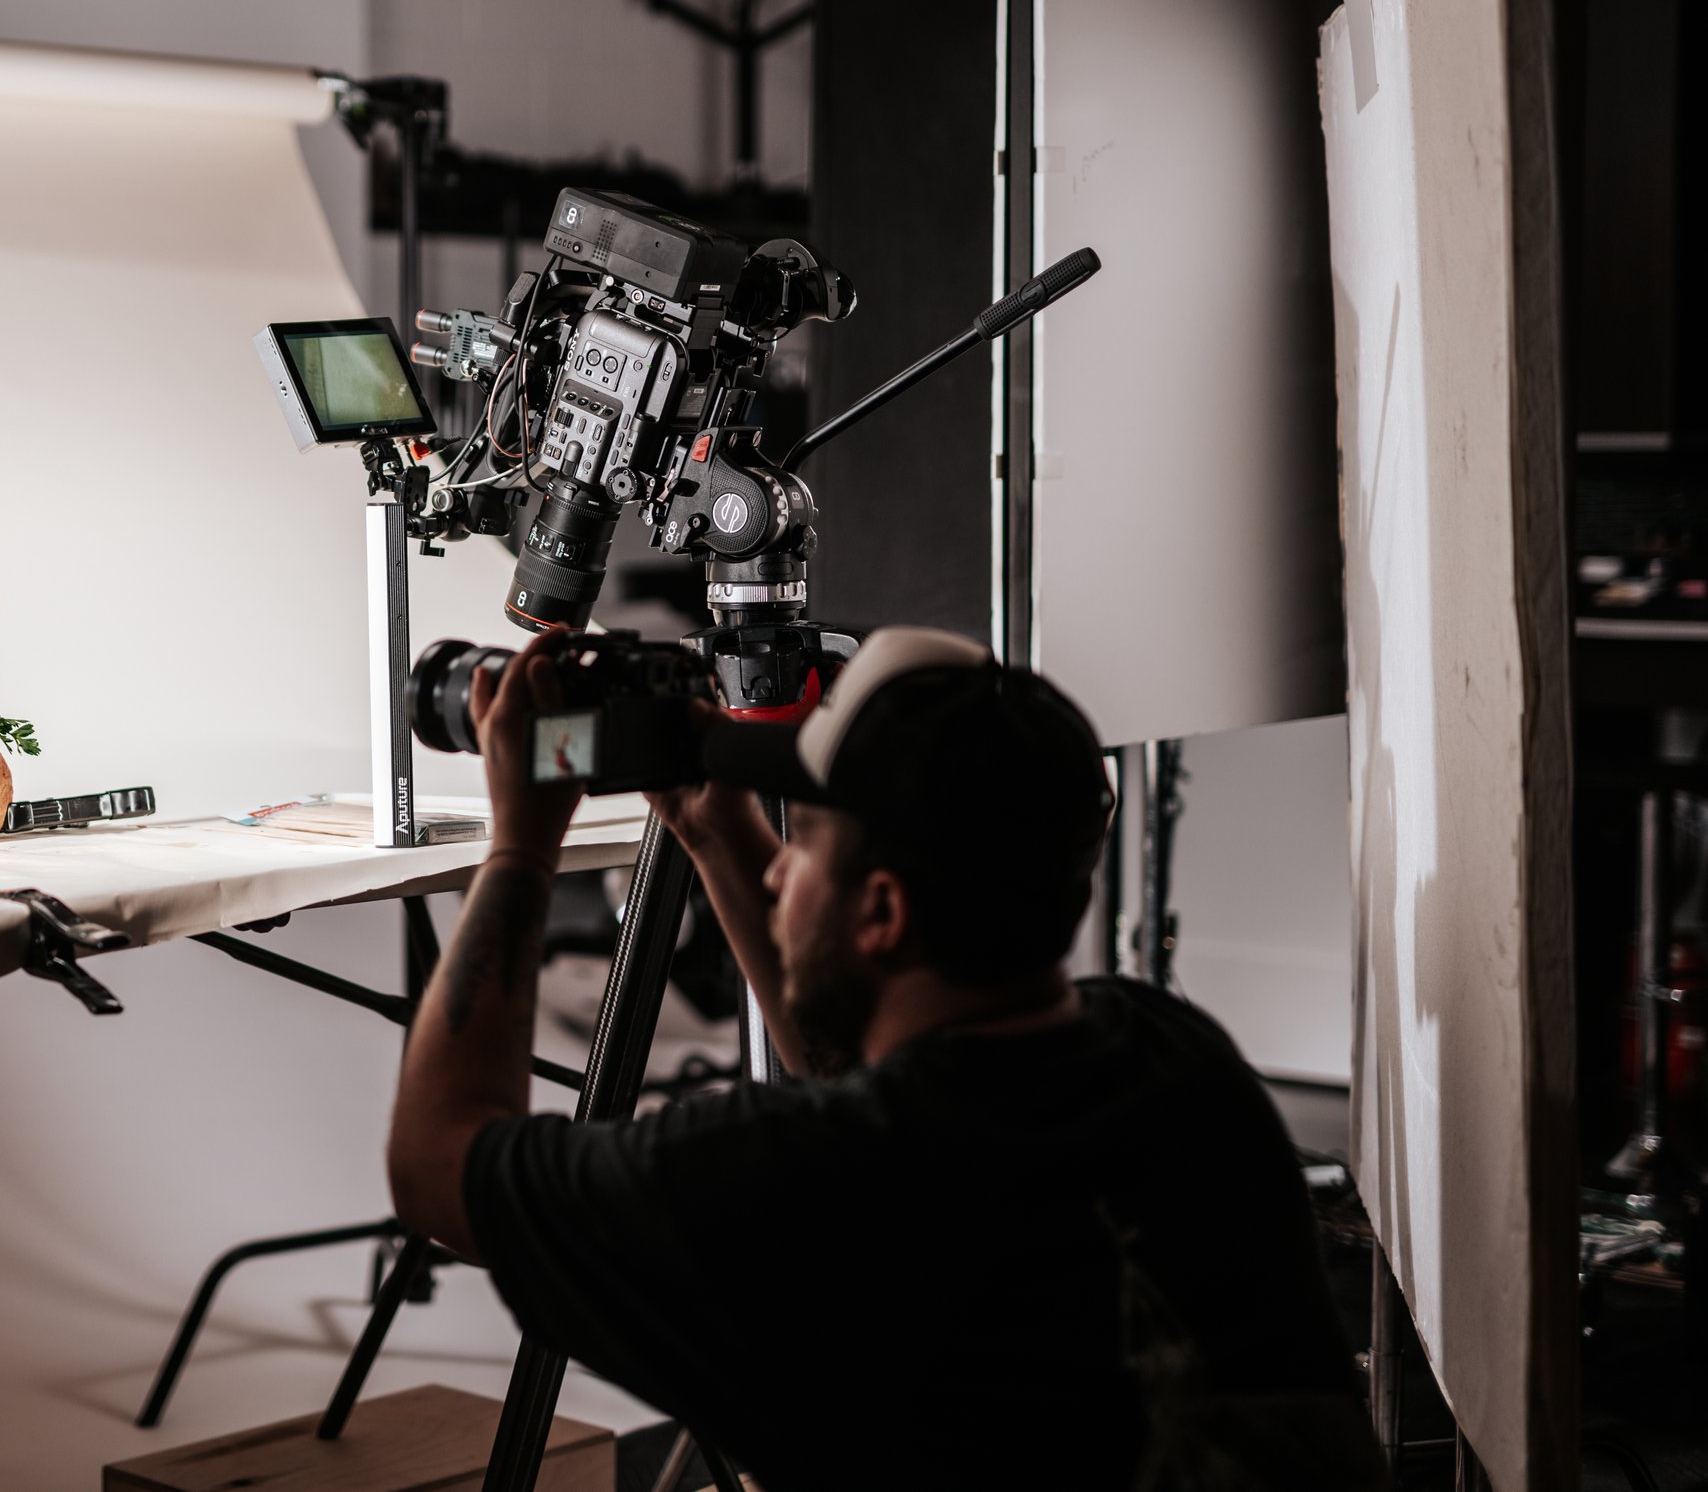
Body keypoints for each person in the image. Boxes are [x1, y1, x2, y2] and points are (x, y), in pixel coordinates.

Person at [385, 627, 1378, 1489]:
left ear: (885, 911)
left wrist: (521, 843)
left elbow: (437, 1165)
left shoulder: (775, 1180)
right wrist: (717, 828)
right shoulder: (1173, 1059)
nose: (778, 866)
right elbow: (868, 1090)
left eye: (804, 842)